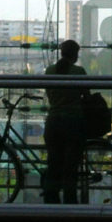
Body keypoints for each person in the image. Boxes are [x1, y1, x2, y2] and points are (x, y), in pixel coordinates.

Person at [43, 39, 87, 204]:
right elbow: (87, 95)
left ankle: (51, 204)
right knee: (71, 167)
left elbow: (50, 94)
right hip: (73, 123)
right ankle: (70, 205)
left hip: (53, 122)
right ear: (75, 54)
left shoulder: (49, 71)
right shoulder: (79, 72)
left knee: (53, 164)